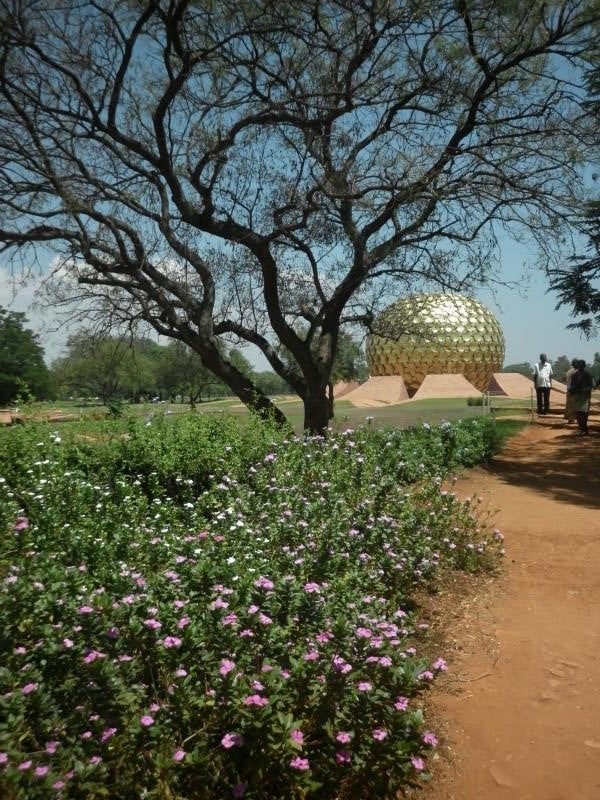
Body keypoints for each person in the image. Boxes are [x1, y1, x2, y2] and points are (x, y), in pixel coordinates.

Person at [568, 359, 593, 435]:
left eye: (581, 366)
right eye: (579, 365)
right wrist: (571, 390)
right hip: (576, 395)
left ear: (584, 366)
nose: (580, 367)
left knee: (584, 413)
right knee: (578, 413)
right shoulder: (574, 375)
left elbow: (590, 386)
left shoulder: (588, 375)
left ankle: (584, 429)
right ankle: (581, 429)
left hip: (585, 396)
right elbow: (572, 385)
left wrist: (584, 390)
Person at [563, 358, 578, 423]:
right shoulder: (576, 371)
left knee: (569, 404)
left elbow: (567, 381)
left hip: (569, 389)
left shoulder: (569, 371)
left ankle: (569, 418)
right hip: (574, 390)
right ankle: (572, 418)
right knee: (574, 404)